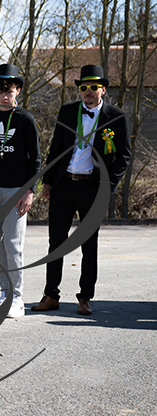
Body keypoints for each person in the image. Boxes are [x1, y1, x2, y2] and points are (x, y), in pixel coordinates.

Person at [33, 64, 131, 316]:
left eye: (93, 87)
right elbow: (56, 149)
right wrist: (48, 182)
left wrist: (108, 186)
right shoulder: (67, 111)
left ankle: (85, 298)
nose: (88, 91)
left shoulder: (117, 117)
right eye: (84, 87)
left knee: (89, 244)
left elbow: (124, 156)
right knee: (56, 243)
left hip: (93, 188)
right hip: (64, 185)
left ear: (103, 89)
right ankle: (50, 295)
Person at [0, 64, 41, 318]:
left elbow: (35, 159)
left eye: (9, 90)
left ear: (18, 91)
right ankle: (5, 293)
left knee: (13, 245)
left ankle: (17, 298)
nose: (5, 95)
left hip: (17, 191)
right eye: (0, 91)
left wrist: (30, 191)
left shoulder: (25, 119)